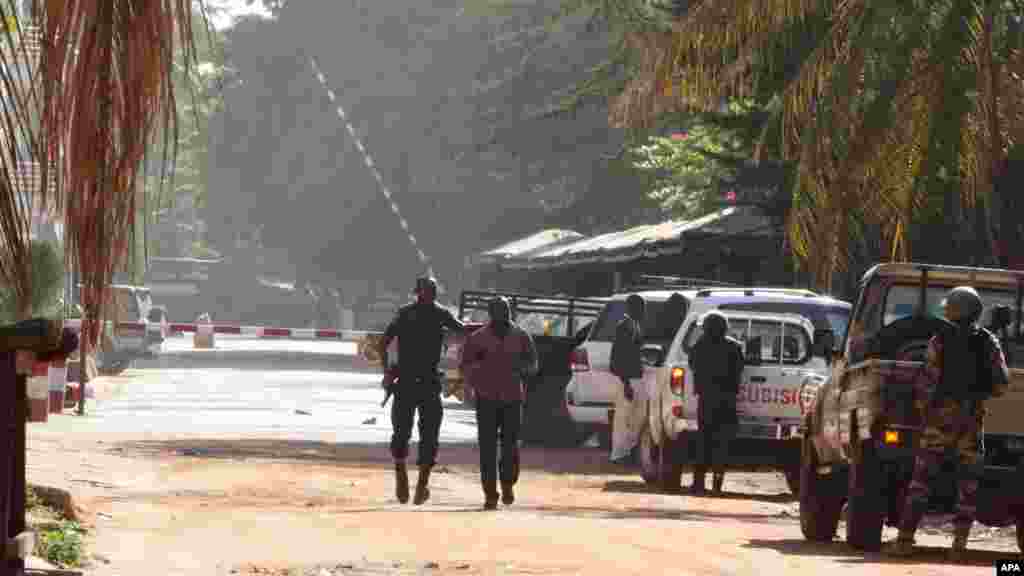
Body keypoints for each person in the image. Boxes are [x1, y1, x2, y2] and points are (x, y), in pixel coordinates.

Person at [885, 286, 1010, 561]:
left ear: (953, 310)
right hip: (972, 422)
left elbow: (927, 383)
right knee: (968, 488)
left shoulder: (939, 340)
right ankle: (959, 547)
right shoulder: (989, 341)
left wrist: (926, 410)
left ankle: (905, 540)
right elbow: (1001, 384)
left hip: (939, 422)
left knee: (921, 483)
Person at [379, 276, 466, 505]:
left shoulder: (405, 313)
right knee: (427, 435)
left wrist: (387, 371)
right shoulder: (441, 313)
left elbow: (383, 343)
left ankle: (410, 480)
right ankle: (417, 483)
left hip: (408, 382)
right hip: (426, 383)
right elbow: (464, 331)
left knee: (404, 432)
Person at [460, 297, 538, 510]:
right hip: (486, 398)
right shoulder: (477, 339)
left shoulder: (521, 336)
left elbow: (533, 364)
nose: (502, 314)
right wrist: (479, 372)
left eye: (505, 310)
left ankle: (507, 483)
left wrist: (520, 369)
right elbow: (465, 366)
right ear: (491, 313)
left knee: (510, 445)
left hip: (512, 398)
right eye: (498, 310)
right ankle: (490, 494)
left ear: (509, 312)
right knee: (487, 448)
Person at [688, 311, 744, 496]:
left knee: (703, 441)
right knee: (722, 444)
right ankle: (717, 485)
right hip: (727, 401)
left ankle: (698, 483)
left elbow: (693, 365)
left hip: (707, 400)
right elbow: (740, 368)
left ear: (706, 328)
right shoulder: (734, 347)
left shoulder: (699, 347)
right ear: (725, 328)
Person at [609, 294, 646, 464]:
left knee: (636, 417)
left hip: (634, 377)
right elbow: (618, 356)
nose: (643, 311)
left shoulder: (635, 325)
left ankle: (628, 450)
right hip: (627, 379)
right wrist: (625, 383)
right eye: (641, 307)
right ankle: (618, 454)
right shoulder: (624, 327)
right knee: (623, 418)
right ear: (632, 308)